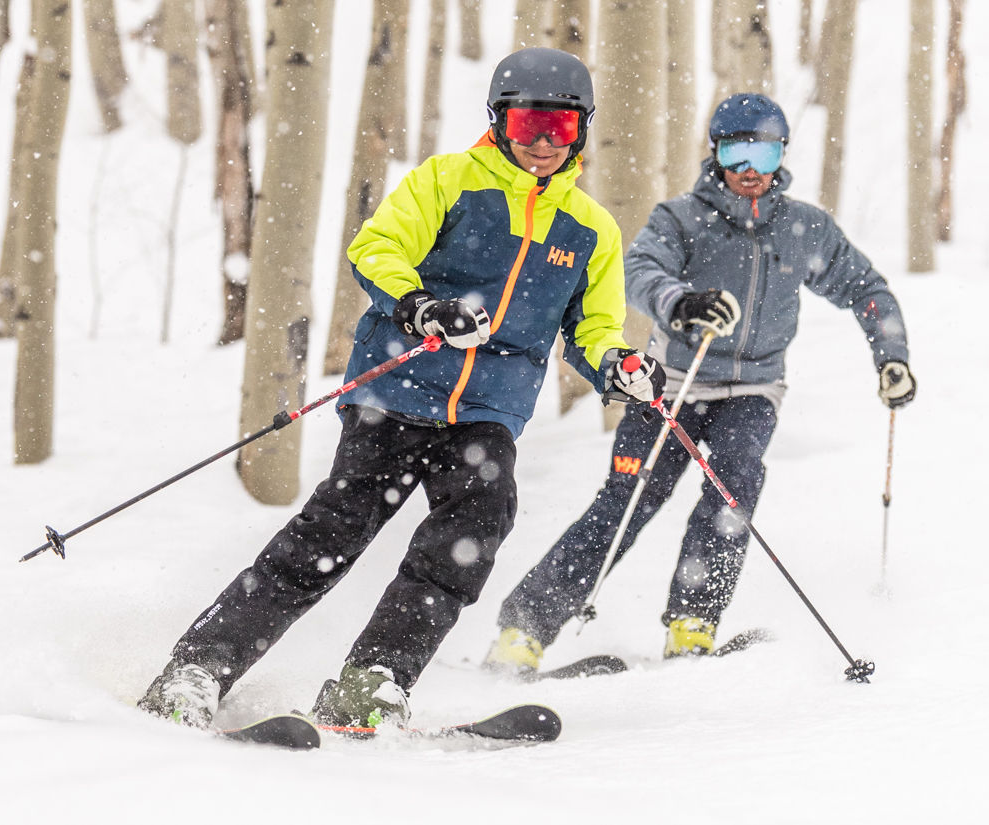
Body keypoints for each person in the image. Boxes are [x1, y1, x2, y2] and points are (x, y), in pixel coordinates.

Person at [137, 47, 665, 729]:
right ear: (500, 121)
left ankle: (374, 679)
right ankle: (198, 668)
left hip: (486, 414)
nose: (542, 141)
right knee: (332, 533)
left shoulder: (591, 230)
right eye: (530, 122)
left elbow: (594, 328)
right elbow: (376, 248)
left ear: (582, 132)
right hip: (399, 388)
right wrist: (423, 306)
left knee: (474, 528)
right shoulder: (448, 182)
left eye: (560, 128)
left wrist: (619, 363)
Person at [484, 93, 917, 671]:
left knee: (732, 498)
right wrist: (681, 302)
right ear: (716, 152)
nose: (750, 169)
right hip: (669, 388)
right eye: (737, 151)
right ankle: (525, 631)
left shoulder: (803, 228)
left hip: (753, 392)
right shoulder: (683, 217)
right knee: (626, 502)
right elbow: (640, 273)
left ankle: (694, 622)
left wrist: (891, 357)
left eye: (763, 152)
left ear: (781, 154)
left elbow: (868, 290)